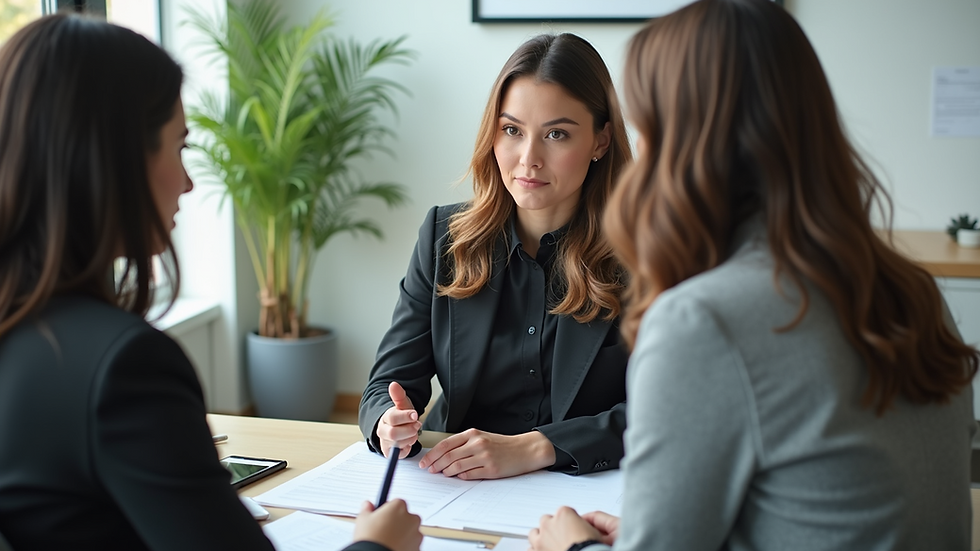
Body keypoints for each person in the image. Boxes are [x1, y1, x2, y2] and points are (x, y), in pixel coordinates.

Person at [529, 0, 979, 550]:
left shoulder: (704, 319)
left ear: (685, 142)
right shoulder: (913, 291)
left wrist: (574, 547)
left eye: (646, 131)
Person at [0, 14, 421, 551]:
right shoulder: (125, 366)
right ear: (114, 161)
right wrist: (378, 546)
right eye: (178, 148)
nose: (188, 181)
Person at [359, 33, 633, 480]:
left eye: (557, 134)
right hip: (454, 481)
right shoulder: (442, 237)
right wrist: (388, 423)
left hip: (585, 488)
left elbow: (664, 410)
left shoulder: (644, 254)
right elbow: (385, 385)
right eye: (512, 130)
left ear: (601, 141)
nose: (529, 159)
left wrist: (536, 447)